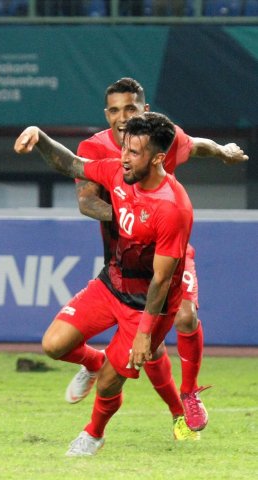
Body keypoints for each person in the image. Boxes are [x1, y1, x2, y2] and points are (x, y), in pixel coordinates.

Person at [48, 77, 247, 436]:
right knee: (148, 351)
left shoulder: (159, 138)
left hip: (169, 251)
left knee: (185, 316)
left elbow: (195, 145)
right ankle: (158, 402)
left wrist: (223, 151)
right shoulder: (95, 149)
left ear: (145, 110)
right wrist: (131, 216)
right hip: (124, 262)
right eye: (113, 110)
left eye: (130, 108)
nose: (122, 117)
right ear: (105, 114)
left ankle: (189, 394)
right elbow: (86, 201)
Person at [14, 112, 193, 455]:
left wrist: (145, 333)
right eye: (124, 148)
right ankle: (96, 362)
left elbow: (162, 277)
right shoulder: (116, 170)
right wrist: (39, 135)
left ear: (157, 158)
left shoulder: (172, 208)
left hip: (146, 304)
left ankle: (93, 434)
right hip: (110, 284)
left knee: (111, 383)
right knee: (53, 345)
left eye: (135, 152)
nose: (124, 158)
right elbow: (71, 164)